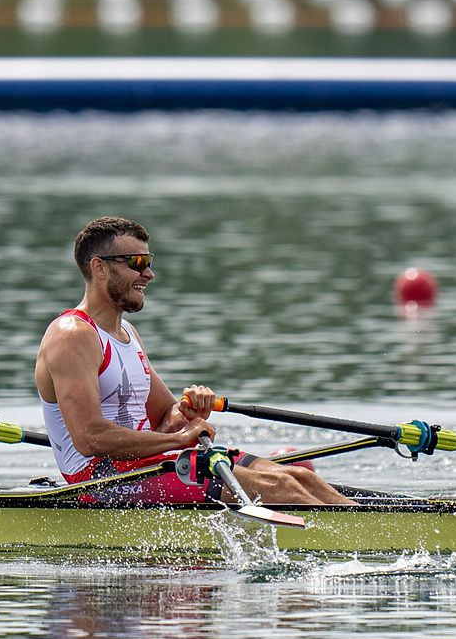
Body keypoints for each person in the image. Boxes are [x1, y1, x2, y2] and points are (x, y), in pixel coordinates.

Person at [35, 216, 356, 506]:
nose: (149, 273)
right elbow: (90, 438)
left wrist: (187, 410)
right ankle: (363, 544)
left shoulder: (126, 333)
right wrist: (177, 438)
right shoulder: (71, 336)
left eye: (148, 261)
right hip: (101, 480)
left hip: (147, 462)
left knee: (299, 478)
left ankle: (378, 530)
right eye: (136, 262)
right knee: (281, 490)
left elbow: (164, 414)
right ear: (99, 267)